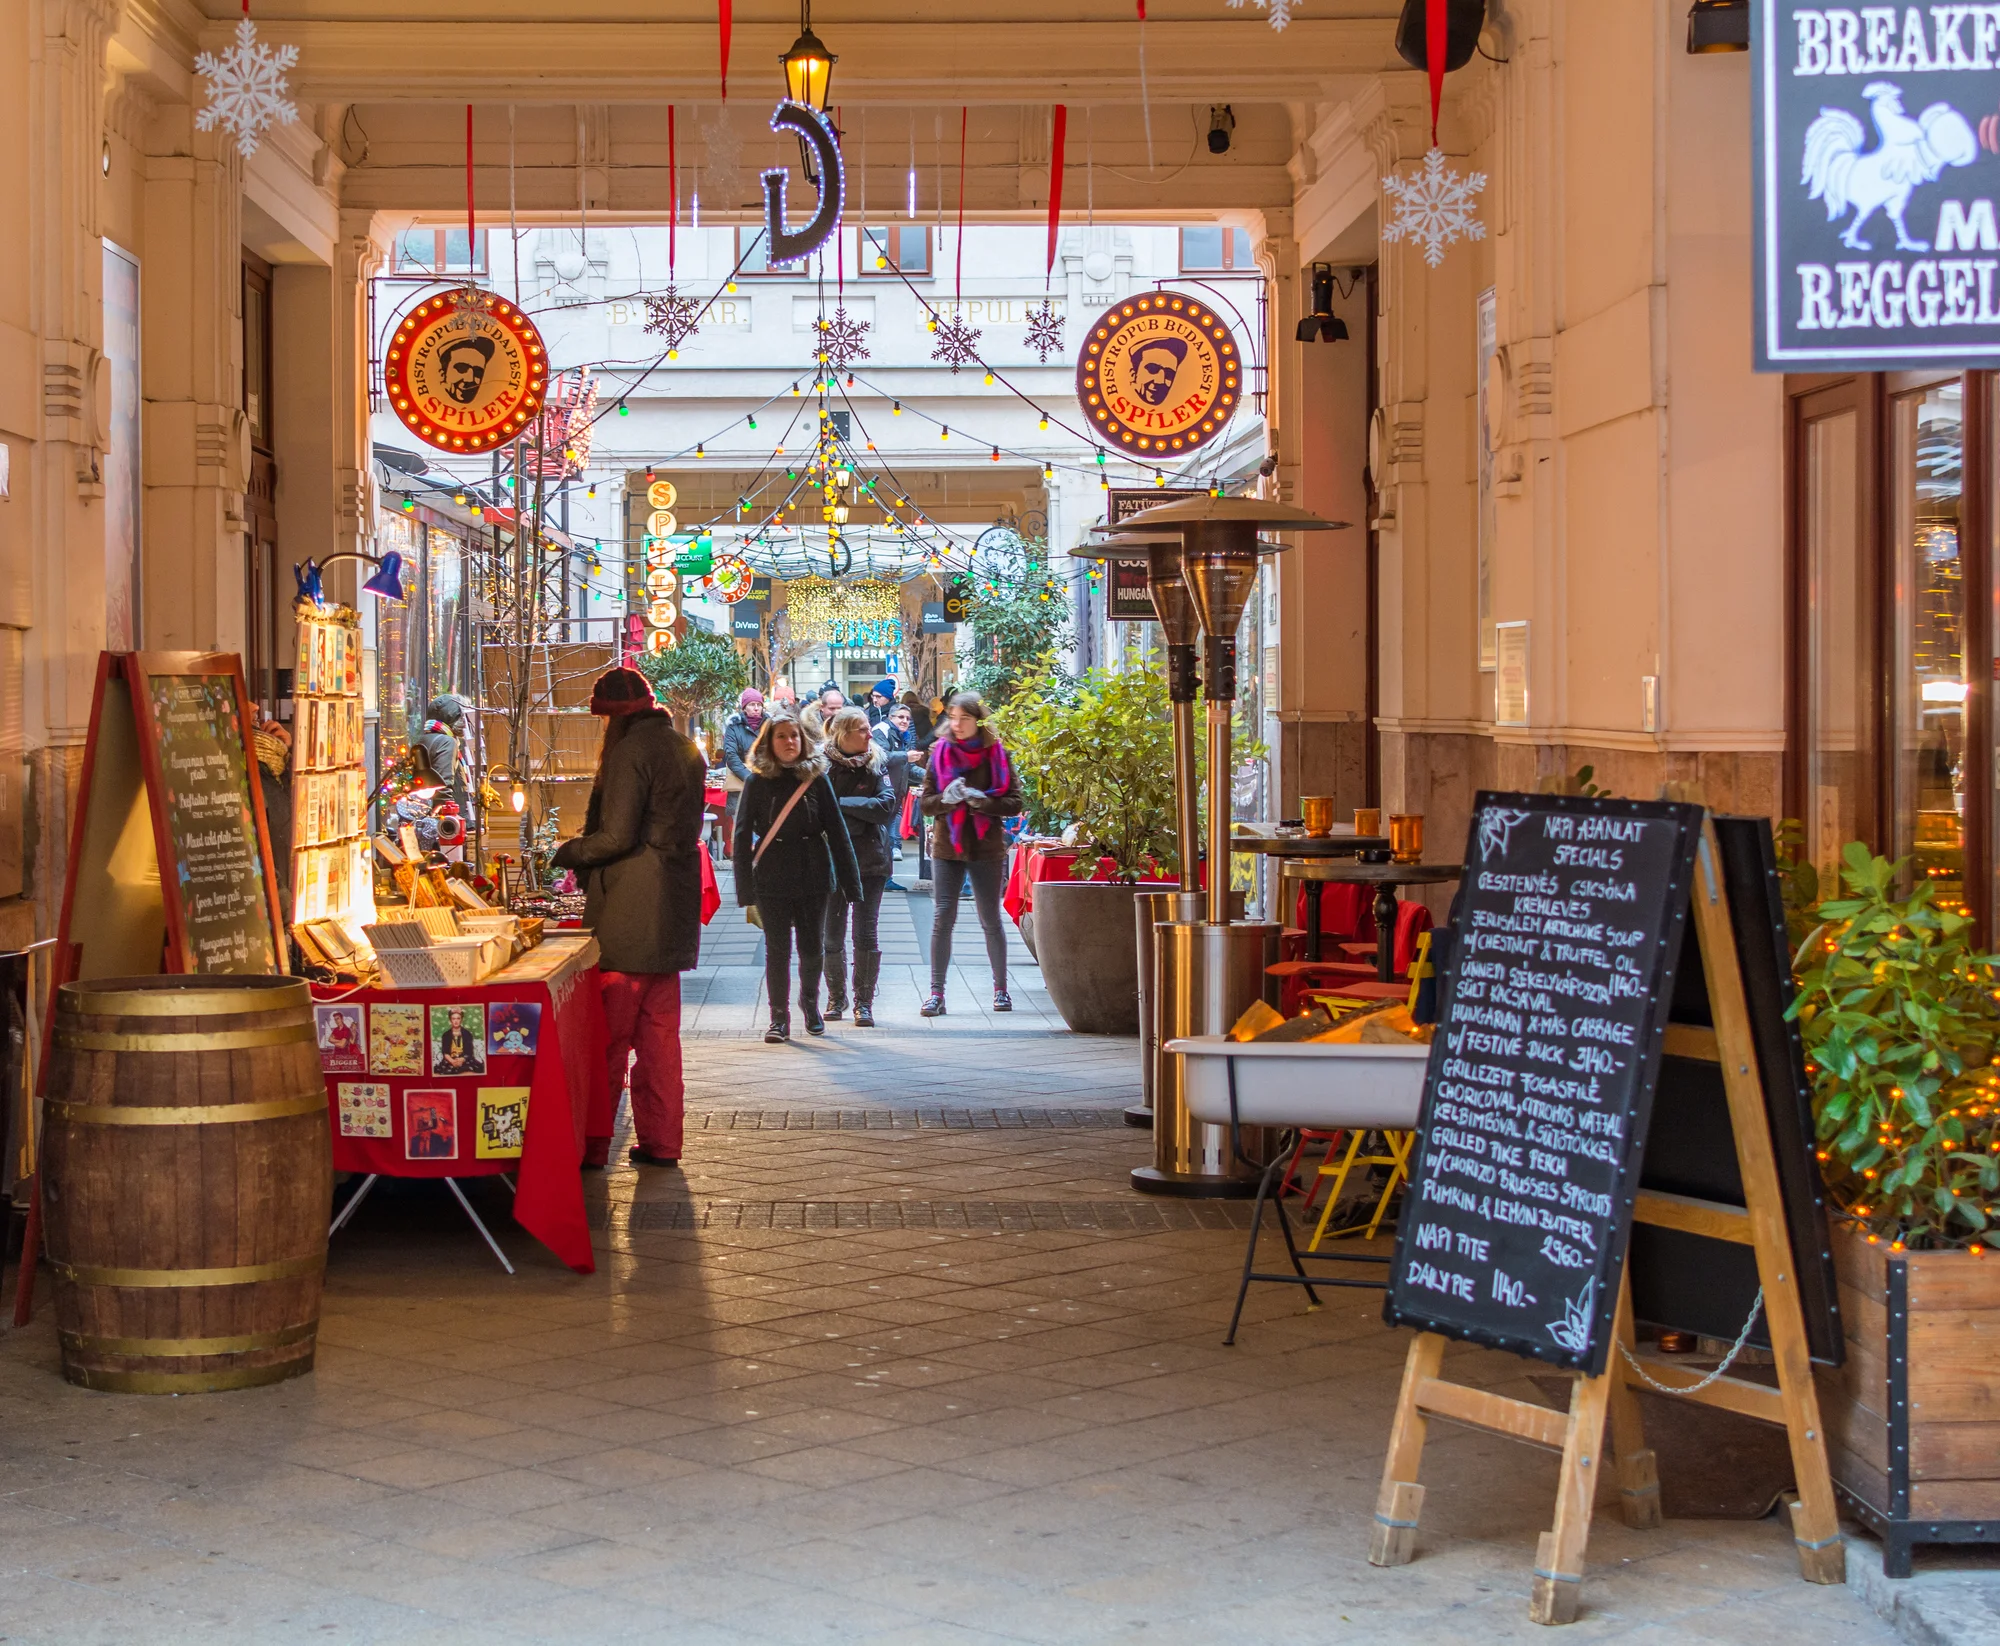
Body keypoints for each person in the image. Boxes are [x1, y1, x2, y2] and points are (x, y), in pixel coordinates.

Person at [551, 667, 707, 1168]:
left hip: (628, 913)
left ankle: (594, 1145)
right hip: (671, 910)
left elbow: (616, 836)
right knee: (661, 1040)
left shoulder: (630, 752)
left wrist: (569, 851)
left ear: (614, 718)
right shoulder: (681, 747)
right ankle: (664, 1142)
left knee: (610, 1042)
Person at [733, 708, 861, 1043]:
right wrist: (744, 888)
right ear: (768, 743)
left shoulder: (816, 778)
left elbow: (836, 830)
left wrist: (851, 883)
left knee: (811, 947)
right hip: (772, 876)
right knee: (777, 949)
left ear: (803, 740)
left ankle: (810, 1005)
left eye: (794, 736)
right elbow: (742, 834)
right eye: (781, 736)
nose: (790, 742)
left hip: (814, 873)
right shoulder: (757, 781)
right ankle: (778, 1018)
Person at [917, 691, 1022, 1015]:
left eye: (964, 718)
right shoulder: (939, 752)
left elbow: (1015, 801)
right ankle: (936, 994)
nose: (957, 724)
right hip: (948, 845)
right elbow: (925, 803)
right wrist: (946, 800)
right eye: (953, 717)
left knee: (990, 918)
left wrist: (983, 801)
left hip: (986, 846)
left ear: (979, 720)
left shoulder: (996, 753)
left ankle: (1001, 990)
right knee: (942, 918)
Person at [821, 708, 897, 1027]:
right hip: (833, 862)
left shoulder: (877, 763)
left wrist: (842, 805)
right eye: (862, 730)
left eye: (868, 728)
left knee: (865, 933)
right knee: (832, 936)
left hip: (871, 861)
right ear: (843, 735)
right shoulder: (822, 768)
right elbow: (816, 811)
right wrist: (856, 810)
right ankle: (837, 997)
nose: (870, 734)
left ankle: (864, 1002)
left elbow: (886, 807)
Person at [872, 704, 914, 893]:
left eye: (907, 718)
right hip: (883, 796)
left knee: (888, 839)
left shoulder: (905, 736)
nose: (904, 721)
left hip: (896, 796)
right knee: (883, 838)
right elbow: (881, 757)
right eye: (900, 717)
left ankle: (886, 878)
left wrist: (931, 775)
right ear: (891, 717)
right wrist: (906, 756)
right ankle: (880, 878)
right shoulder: (882, 730)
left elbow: (908, 767)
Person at [719, 688, 765, 858]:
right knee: (743, 823)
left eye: (758, 704)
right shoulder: (734, 727)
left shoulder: (770, 724)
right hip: (741, 784)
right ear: (744, 707)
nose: (756, 708)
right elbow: (730, 756)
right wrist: (749, 777)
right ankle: (745, 857)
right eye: (752, 704)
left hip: (766, 780)